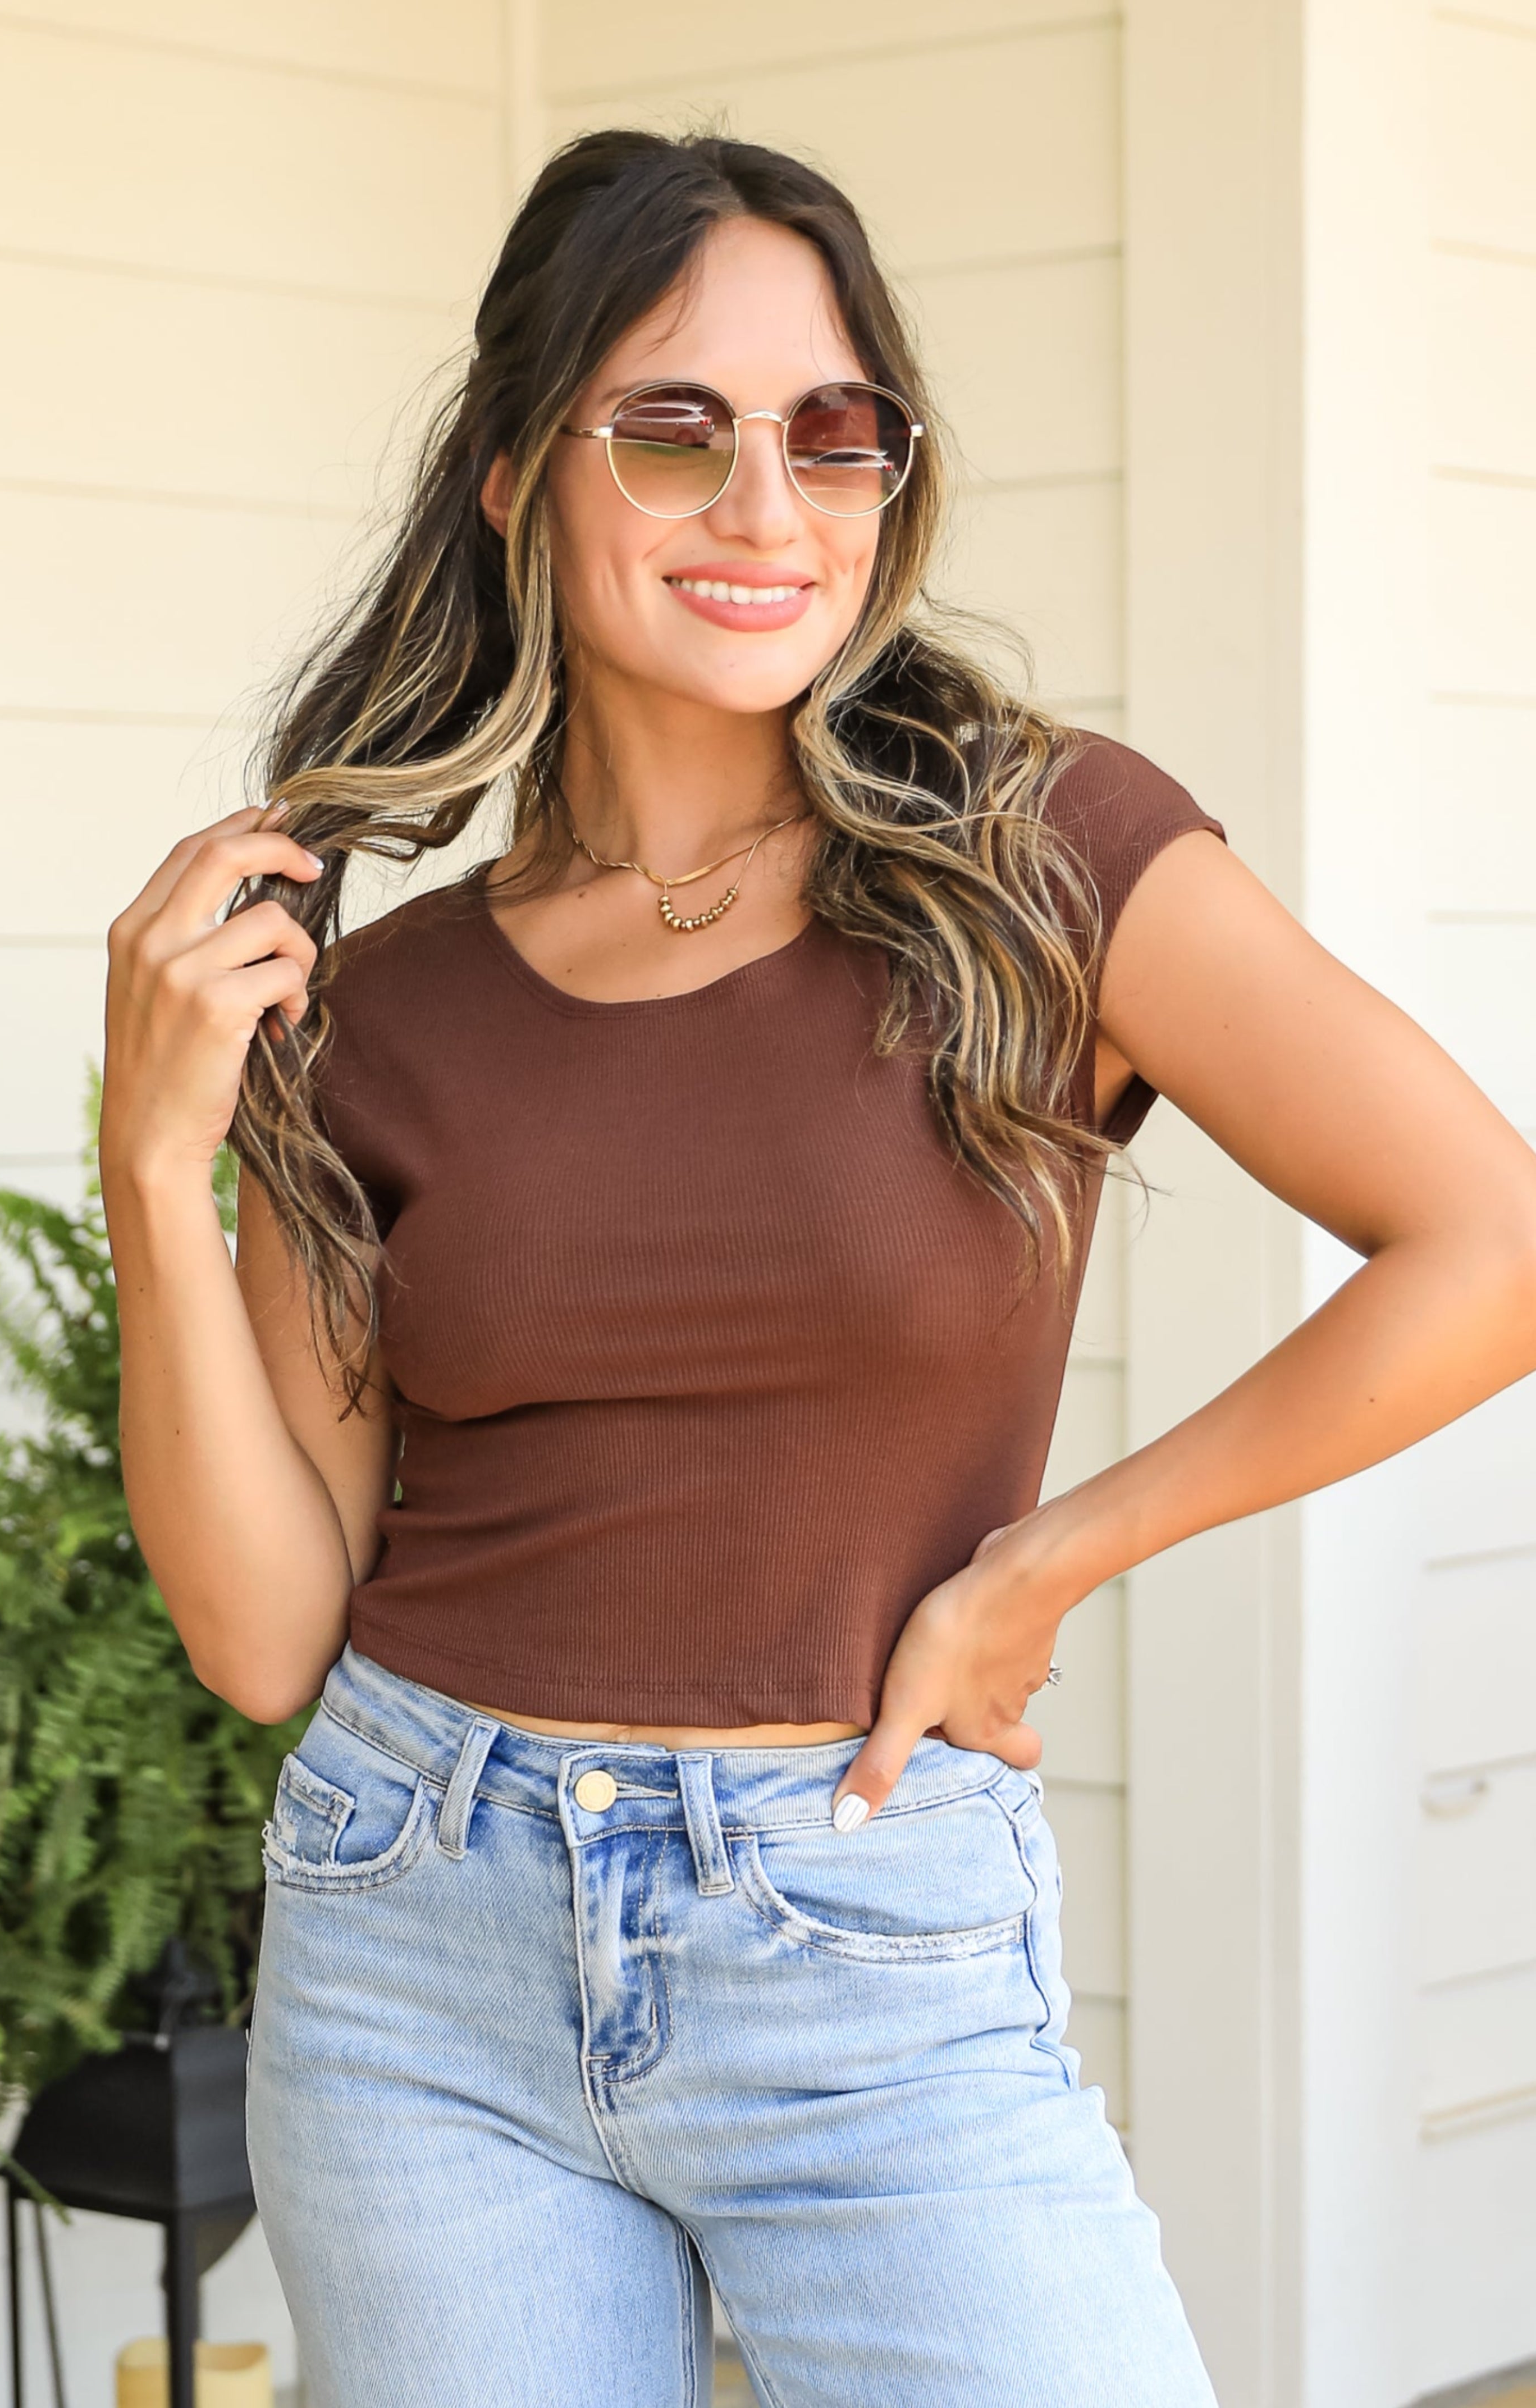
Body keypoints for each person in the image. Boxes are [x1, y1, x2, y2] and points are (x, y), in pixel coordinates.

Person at [98, 131, 1536, 2408]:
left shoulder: (1040, 858)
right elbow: (270, 1626)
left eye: (830, 432)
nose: (766, 510)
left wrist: (1050, 1561)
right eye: (672, 430)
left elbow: (1491, 1239)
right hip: (417, 1956)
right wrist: (147, 1159)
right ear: (510, 478)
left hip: (861, 1927)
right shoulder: (384, 1009)